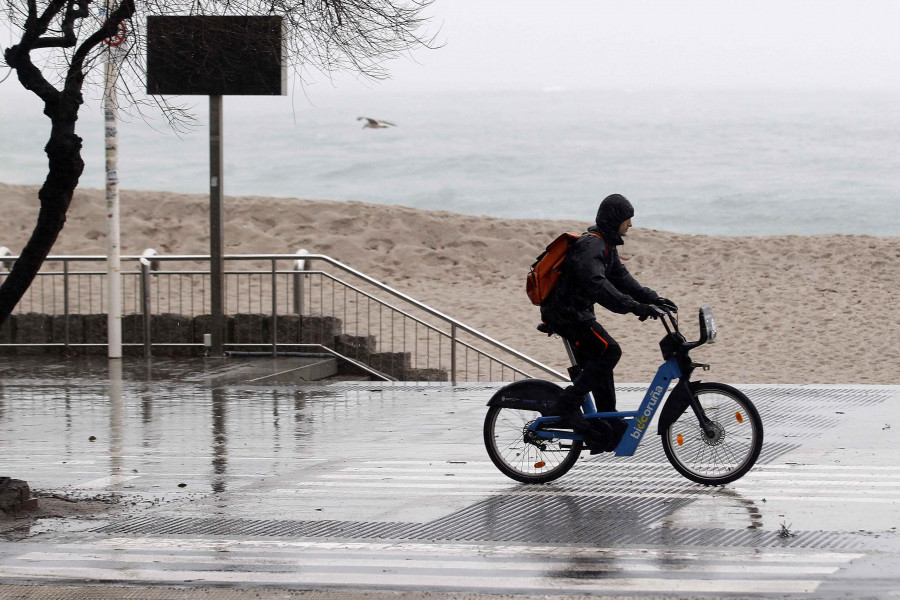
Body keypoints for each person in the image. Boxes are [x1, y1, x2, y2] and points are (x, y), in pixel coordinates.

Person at [540, 193, 677, 452]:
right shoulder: (591, 246)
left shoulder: (606, 246)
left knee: (601, 364)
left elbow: (622, 279)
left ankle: (605, 422)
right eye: (628, 219)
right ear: (615, 220)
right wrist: (636, 308)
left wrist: (653, 298)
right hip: (568, 315)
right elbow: (599, 287)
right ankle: (568, 402)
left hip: (578, 313)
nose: (631, 225)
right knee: (610, 351)